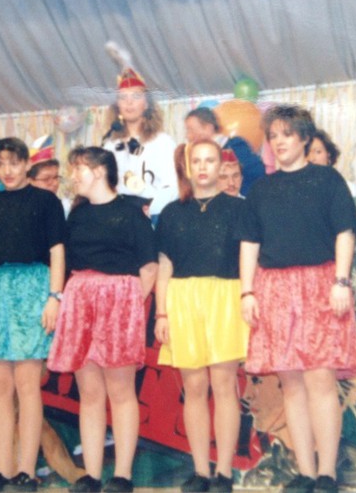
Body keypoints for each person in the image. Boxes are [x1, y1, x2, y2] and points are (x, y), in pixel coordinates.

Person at [238, 105, 356, 493]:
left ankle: (327, 473)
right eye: (273, 136)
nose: (279, 142)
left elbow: (345, 232)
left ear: (305, 138)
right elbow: (249, 243)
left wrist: (341, 281)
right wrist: (247, 291)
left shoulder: (327, 180)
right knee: (290, 385)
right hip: (274, 288)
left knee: (320, 381)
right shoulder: (260, 189)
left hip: (320, 285)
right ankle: (305, 472)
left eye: (287, 134)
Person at [47, 146, 157, 493]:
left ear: (99, 171)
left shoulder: (131, 212)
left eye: (78, 168)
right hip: (81, 302)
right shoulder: (77, 215)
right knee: (90, 392)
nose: (73, 175)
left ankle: (122, 475)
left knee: (121, 391)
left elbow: (149, 266)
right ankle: (91, 475)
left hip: (119, 301)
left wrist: (127, 305)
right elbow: (65, 261)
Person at [0, 137, 66, 492]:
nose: (8, 170)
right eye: (1, 163)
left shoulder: (46, 201)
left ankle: (26, 470)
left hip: (32, 289)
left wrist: (54, 297)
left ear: (27, 164)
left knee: (27, 385)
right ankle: (3, 469)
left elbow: (57, 252)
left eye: (14, 162)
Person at [154, 140, 249, 492]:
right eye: (197, 161)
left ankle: (223, 472)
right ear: (187, 167)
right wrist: (161, 313)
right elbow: (164, 267)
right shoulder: (171, 212)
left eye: (210, 160)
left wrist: (247, 296)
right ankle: (200, 471)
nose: (204, 167)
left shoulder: (239, 209)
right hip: (183, 300)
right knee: (193, 388)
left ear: (221, 165)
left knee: (224, 386)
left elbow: (248, 261)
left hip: (225, 298)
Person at [102, 67, 177, 220]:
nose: (129, 102)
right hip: (117, 215)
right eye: (123, 97)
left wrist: (153, 209)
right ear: (117, 106)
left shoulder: (163, 142)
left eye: (136, 96)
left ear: (147, 104)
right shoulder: (110, 145)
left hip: (151, 213)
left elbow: (172, 185)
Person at [184, 107, 265, 197]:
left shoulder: (234, 146)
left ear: (208, 128)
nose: (188, 136)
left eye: (191, 130)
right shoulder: (200, 157)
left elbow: (257, 173)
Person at [308, 129, 356, 197]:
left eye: (318, 152)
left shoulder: (348, 188)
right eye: (307, 153)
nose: (312, 158)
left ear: (328, 154)